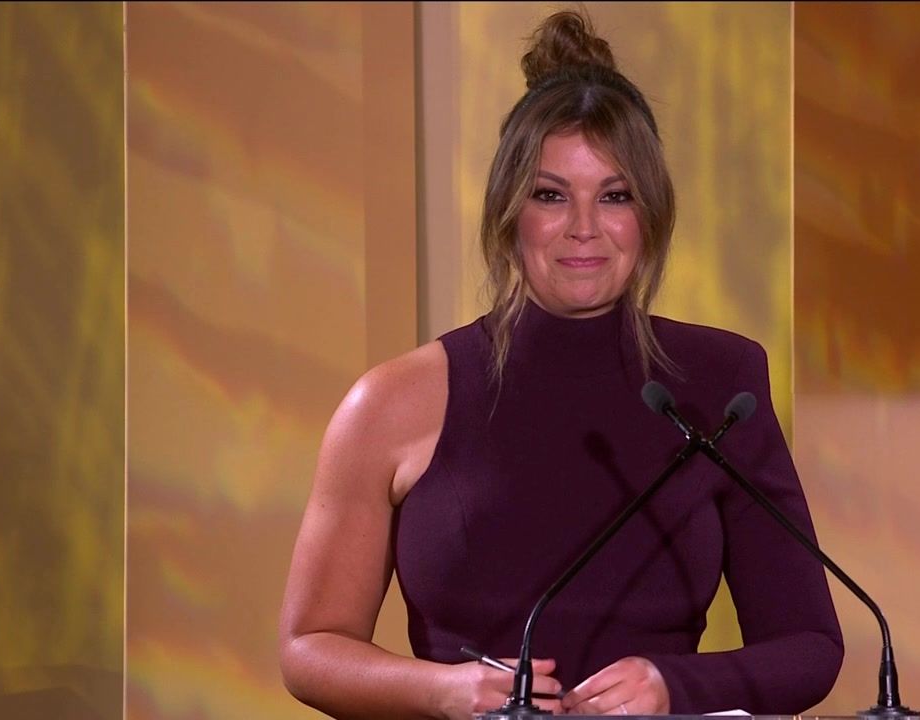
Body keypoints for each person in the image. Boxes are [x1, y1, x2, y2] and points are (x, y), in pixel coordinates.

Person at [279, 9, 843, 719]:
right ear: (508, 212)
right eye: (551, 196)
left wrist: (674, 685)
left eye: (615, 196)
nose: (584, 228)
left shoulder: (719, 383)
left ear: (650, 216)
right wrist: (443, 691)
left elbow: (809, 646)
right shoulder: (395, 400)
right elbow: (311, 647)